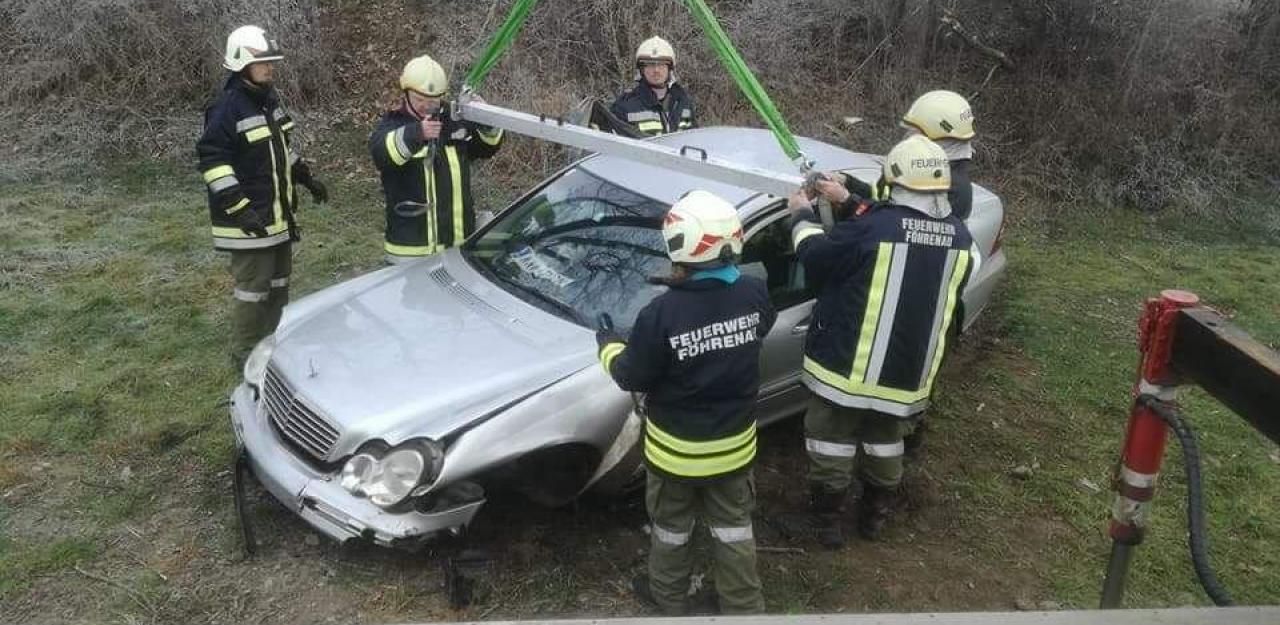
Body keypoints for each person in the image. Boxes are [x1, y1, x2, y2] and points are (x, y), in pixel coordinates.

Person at [789, 135, 974, 548]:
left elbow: (817, 258)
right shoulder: (961, 240)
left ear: (892, 182)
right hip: (905, 377)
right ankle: (874, 515)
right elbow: (904, 228)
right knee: (885, 446)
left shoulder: (869, 228)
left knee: (830, 445)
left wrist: (801, 217)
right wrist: (848, 196)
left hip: (846, 372)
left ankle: (827, 523)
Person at [597, 190, 776, 614]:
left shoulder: (661, 314)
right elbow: (760, 325)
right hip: (734, 450)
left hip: (675, 455)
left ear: (678, 244)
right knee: (733, 530)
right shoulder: (753, 293)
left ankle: (668, 597)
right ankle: (743, 605)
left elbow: (630, 376)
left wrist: (607, 345)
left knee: (671, 530)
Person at [197, 25, 327, 369]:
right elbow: (213, 161)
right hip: (248, 222)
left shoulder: (268, 101)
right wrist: (239, 209)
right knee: (253, 291)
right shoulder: (226, 109)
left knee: (279, 284)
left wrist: (305, 177)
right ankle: (244, 356)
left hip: (277, 216)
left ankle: (273, 346)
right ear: (241, 64)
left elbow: (280, 150)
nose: (270, 68)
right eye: (263, 62)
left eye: (271, 61)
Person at [369, 55, 504, 263]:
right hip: (411, 251)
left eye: (432, 100)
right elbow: (381, 154)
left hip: (458, 245)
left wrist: (486, 118)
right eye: (419, 99)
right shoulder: (394, 124)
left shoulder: (453, 121)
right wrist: (417, 134)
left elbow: (488, 148)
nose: (425, 106)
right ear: (406, 94)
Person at [608, 36, 697, 137]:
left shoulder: (683, 103)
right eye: (650, 65)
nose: (656, 70)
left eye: (662, 64)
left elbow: (695, 141)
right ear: (642, 70)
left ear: (670, 68)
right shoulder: (624, 106)